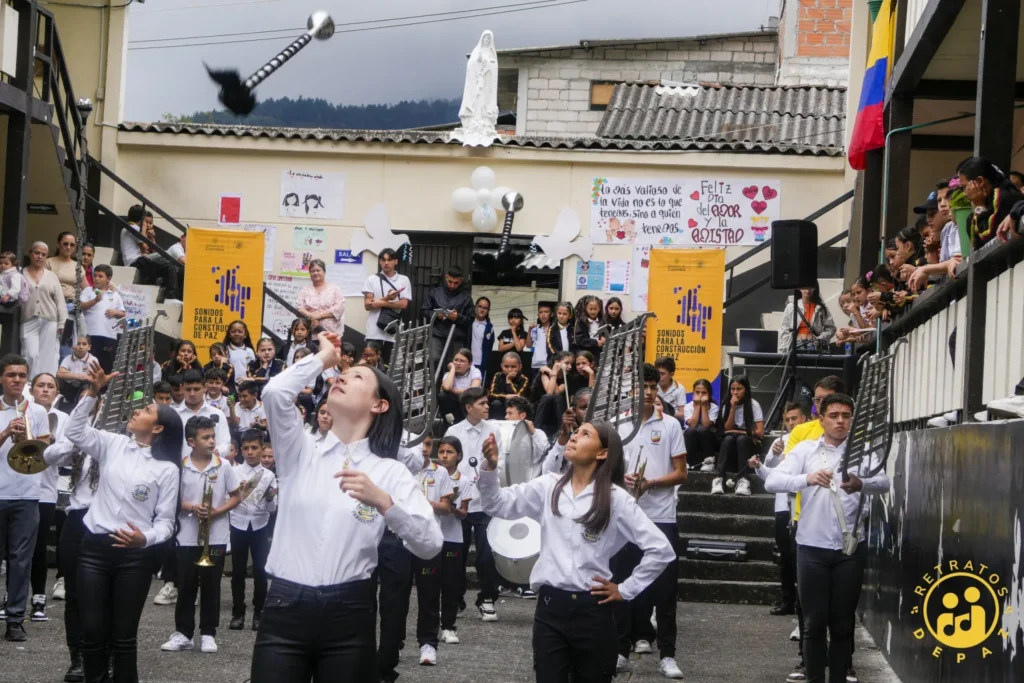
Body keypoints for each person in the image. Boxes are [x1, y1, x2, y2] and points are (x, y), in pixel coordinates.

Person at [250, 330, 442, 683]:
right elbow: (275, 393)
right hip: (284, 609)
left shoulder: (389, 471)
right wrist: (324, 358)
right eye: (342, 373)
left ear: (378, 405)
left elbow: (429, 544)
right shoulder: (300, 451)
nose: (342, 377)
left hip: (350, 614)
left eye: (357, 377)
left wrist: (386, 503)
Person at [476, 420, 675, 683]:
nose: (574, 436)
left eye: (585, 434)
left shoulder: (616, 498)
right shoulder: (548, 486)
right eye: (576, 431)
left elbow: (661, 549)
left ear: (602, 453)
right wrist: (490, 468)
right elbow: (496, 505)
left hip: (593, 611)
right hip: (550, 609)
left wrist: (625, 590)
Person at [65, 364, 182, 682]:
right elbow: (74, 432)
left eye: (145, 410)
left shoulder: (167, 470)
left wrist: (143, 539)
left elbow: (167, 523)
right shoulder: (113, 444)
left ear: (157, 428)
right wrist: (92, 392)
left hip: (134, 556)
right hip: (94, 549)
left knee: (123, 636)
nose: (136, 410)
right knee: (92, 632)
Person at [766, 393, 889, 683]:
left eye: (846, 416)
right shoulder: (805, 449)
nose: (840, 421)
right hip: (811, 548)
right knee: (813, 624)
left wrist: (862, 484)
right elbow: (771, 480)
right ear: (821, 419)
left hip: (850, 549)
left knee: (843, 624)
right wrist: (806, 479)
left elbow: (883, 482)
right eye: (834, 415)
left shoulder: (864, 451)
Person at [611, 364, 687, 679]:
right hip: (624, 515)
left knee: (665, 588)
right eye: (644, 386)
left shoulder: (670, 425)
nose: (650, 392)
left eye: (654, 387)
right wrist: (623, 481)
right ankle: (619, 649)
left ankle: (667, 654)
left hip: (661, 515)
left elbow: (681, 473)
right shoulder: (617, 424)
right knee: (620, 583)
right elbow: (605, 470)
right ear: (631, 389)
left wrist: (650, 483)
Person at [161, 416, 242, 654]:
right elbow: (172, 499)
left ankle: (208, 633)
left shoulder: (224, 466)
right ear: (191, 441)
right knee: (185, 584)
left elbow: (237, 496)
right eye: (205, 437)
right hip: (186, 535)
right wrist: (192, 508)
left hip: (215, 536)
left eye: (213, 437)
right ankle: (183, 633)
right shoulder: (179, 466)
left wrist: (217, 511)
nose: (211, 441)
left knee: (211, 585)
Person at [43, 395, 100, 680]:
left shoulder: (121, 440)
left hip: (110, 519)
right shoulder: (80, 439)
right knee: (75, 596)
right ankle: (77, 658)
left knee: (108, 596)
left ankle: (107, 656)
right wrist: (78, 439)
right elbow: (49, 456)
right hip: (78, 518)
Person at [0, 356, 52, 642]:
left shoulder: (38, 411)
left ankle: (15, 619)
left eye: (21, 375)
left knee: (21, 561)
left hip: (27, 493)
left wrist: (28, 439)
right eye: (11, 375)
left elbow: (42, 451)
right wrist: (7, 432)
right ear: (2, 378)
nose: (17, 380)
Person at [446, 387, 502, 621]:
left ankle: (487, 598)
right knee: (456, 554)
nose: (487, 406)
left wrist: (484, 474)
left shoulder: (494, 429)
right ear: (469, 407)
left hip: (485, 501)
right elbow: (449, 462)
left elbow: (497, 459)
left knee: (486, 554)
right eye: (482, 403)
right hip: (460, 501)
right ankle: (454, 598)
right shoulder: (453, 430)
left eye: (487, 402)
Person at [750, 401, 808, 618]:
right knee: (785, 556)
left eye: (795, 418)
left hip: (803, 507)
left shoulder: (811, 441)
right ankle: (787, 600)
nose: (791, 423)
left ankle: (803, 602)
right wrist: (768, 460)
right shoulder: (780, 442)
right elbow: (768, 477)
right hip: (783, 507)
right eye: (788, 420)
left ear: (805, 419)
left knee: (800, 555)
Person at [411, 443, 456, 666]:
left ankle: (428, 643)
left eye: (428, 444)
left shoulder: (440, 473)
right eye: (419, 445)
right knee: (394, 597)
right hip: (401, 540)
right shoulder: (400, 468)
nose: (424, 449)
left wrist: (427, 503)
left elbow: (447, 508)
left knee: (429, 595)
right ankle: (394, 644)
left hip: (428, 541)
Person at [229, 430, 278, 632]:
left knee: (259, 570)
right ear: (241, 450)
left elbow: (272, 509)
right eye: (246, 448)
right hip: (238, 523)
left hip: (259, 524)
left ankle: (259, 612)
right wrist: (238, 493)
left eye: (254, 448)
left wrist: (268, 497)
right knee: (238, 570)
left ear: (261, 449)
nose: (250, 452)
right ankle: (238, 612)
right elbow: (227, 501)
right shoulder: (233, 472)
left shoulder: (268, 475)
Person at [28, 373, 67, 623]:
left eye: (50, 386)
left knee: (38, 548)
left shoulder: (62, 419)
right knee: (15, 550)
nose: (45, 389)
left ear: (57, 392)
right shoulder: (24, 413)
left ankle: (39, 598)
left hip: (44, 491)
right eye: (40, 385)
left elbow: (66, 457)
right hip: (18, 489)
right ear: (31, 390)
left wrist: (50, 446)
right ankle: (13, 596)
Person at [434, 436, 472, 646]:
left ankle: (448, 626)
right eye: (442, 452)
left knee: (450, 584)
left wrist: (453, 509)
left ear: (458, 455)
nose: (445, 456)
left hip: (453, 538)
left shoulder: (463, 480)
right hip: (432, 537)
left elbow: (464, 514)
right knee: (431, 585)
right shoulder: (432, 476)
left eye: (449, 452)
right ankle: (430, 629)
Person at [711, 375, 763, 496]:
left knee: (741, 439)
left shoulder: (753, 404)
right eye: (733, 389)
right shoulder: (726, 404)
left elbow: (760, 431)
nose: (735, 392)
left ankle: (744, 480)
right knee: (728, 438)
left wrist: (742, 431)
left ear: (746, 389)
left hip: (749, 443)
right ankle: (718, 479)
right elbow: (727, 429)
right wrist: (733, 408)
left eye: (739, 389)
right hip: (731, 443)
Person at [21, 241, 66, 377]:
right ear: (30, 254)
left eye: (43, 254)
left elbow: (60, 300)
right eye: (37, 253)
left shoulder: (51, 276)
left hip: (50, 320)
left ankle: (45, 385)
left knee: (48, 356)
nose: (40, 257)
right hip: (28, 319)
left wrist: (62, 322)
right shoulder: (21, 274)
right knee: (31, 354)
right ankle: (31, 386)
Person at [361, 248, 411, 365]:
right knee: (370, 364)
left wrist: (382, 303)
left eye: (389, 260)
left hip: (393, 330)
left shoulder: (403, 280)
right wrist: (388, 299)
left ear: (396, 261)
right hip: (374, 330)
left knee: (389, 366)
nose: (386, 263)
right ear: (379, 262)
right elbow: (368, 305)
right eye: (383, 260)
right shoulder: (372, 279)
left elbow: (404, 304)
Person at [422, 265, 474, 375]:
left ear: (461, 280)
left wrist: (458, 317)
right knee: (433, 360)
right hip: (437, 334)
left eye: (456, 283)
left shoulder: (466, 297)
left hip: (456, 337)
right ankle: (433, 389)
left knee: (454, 365)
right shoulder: (435, 292)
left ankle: (449, 390)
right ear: (446, 277)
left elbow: (470, 319)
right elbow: (424, 311)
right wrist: (436, 315)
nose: (452, 285)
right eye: (450, 281)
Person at [120, 204, 180, 299]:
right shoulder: (134, 228)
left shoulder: (126, 228)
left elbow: (147, 249)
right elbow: (144, 248)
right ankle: (171, 296)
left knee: (166, 263)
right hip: (136, 261)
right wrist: (143, 229)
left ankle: (169, 288)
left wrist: (151, 237)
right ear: (142, 218)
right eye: (144, 220)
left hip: (137, 260)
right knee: (168, 265)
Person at [174, 368, 231, 459]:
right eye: (188, 389)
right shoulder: (174, 416)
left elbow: (225, 443)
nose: (192, 394)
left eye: (196, 389)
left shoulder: (218, 413)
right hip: (182, 469)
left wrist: (217, 452)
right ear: (181, 388)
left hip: (211, 468)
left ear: (205, 387)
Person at [79, 264, 125, 374]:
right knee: (88, 365)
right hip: (90, 336)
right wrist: (95, 300)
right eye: (95, 276)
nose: (96, 279)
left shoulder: (114, 295)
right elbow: (81, 306)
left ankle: (103, 390)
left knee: (105, 364)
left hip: (109, 337)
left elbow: (123, 313)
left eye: (100, 276)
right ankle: (86, 388)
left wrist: (115, 312)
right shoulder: (87, 291)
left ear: (108, 279)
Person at [540, 387, 591, 476]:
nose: (588, 412)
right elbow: (548, 473)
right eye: (583, 408)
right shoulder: (569, 438)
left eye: (592, 407)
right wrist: (563, 435)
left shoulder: (611, 435)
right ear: (574, 411)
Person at [777, 285, 836, 353]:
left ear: (815, 288)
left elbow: (831, 328)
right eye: (804, 287)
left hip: (814, 345)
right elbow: (785, 328)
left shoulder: (821, 308)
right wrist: (784, 347)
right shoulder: (791, 307)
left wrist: (820, 339)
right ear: (799, 288)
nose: (808, 290)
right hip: (796, 344)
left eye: (811, 287)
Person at [296, 259, 346, 334]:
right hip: (310, 334)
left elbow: (340, 307)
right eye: (313, 271)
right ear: (310, 273)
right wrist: (311, 316)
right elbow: (299, 307)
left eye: (318, 270)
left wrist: (320, 315)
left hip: (330, 334)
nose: (315, 273)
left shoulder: (335, 289)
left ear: (324, 272)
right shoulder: (305, 290)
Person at [682, 379, 719, 472]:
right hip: (691, 436)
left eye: (704, 392)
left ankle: (709, 463)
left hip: (707, 436)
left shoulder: (714, 407)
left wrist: (704, 407)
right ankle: (687, 462)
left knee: (703, 429)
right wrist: (698, 406)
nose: (700, 395)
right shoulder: (688, 406)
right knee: (691, 431)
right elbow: (693, 425)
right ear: (693, 393)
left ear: (709, 394)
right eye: (697, 392)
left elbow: (706, 424)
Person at [439, 349, 482, 424]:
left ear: (469, 364)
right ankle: (450, 424)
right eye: (455, 360)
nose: (458, 363)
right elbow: (446, 387)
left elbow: (473, 389)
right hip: (455, 406)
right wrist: (452, 369)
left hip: (470, 403)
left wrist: (455, 391)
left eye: (462, 361)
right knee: (442, 395)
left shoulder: (475, 371)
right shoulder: (449, 374)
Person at [57, 336, 98, 408]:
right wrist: (77, 376)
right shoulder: (68, 358)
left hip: (85, 387)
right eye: (78, 344)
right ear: (73, 346)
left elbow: (94, 377)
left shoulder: (93, 360)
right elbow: (60, 373)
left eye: (84, 344)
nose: (81, 347)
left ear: (89, 347)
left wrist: (68, 373)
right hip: (70, 386)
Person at [488, 351, 528, 416]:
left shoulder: (524, 379)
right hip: (501, 404)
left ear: (520, 367)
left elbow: (517, 397)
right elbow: (492, 394)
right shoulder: (497, 376)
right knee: (496, 403)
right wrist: (506, 396)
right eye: (506, 366)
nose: (509, 369)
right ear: (501, 366)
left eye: (513, 367)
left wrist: (508, 380)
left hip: (516, 406)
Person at [469, 297, 495, 381]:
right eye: (480, 306)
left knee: (478, 390)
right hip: (467, 362)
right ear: (475, 307)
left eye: (485, 308)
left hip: (481, 364)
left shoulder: (489, 327)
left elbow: (489, 347)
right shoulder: (468, 322)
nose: (482, 310)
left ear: (488, 310)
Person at [528, 303, 553, 376]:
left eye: (546, 312)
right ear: (538, 315)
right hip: (536, 364)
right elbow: (528, 345)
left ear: (551, 314)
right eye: (541, 312)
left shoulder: (554, 329)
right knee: (535, 386)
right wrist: (529, 330)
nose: (543, 314)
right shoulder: (535, 328)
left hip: (549, 363)